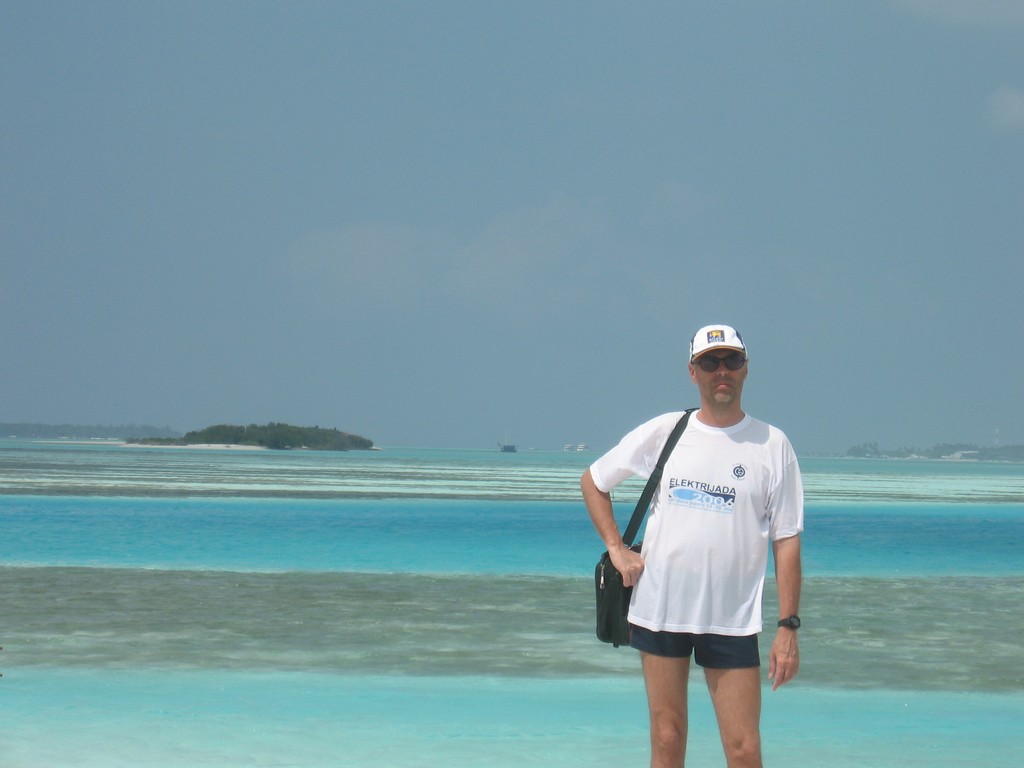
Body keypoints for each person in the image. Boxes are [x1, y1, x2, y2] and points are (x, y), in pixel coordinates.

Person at [580, 324, 803, 768]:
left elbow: (787, 541)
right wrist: (617, 548)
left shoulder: (772, 444)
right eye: (710, 362)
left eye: (731, 360)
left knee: (743, 749)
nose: (722, 370)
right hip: (661, 608)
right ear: (693, 371)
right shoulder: (667, 430)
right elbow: (594, 480)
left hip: (733, 619)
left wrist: (788, 627)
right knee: (667, 738)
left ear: (745, 368)